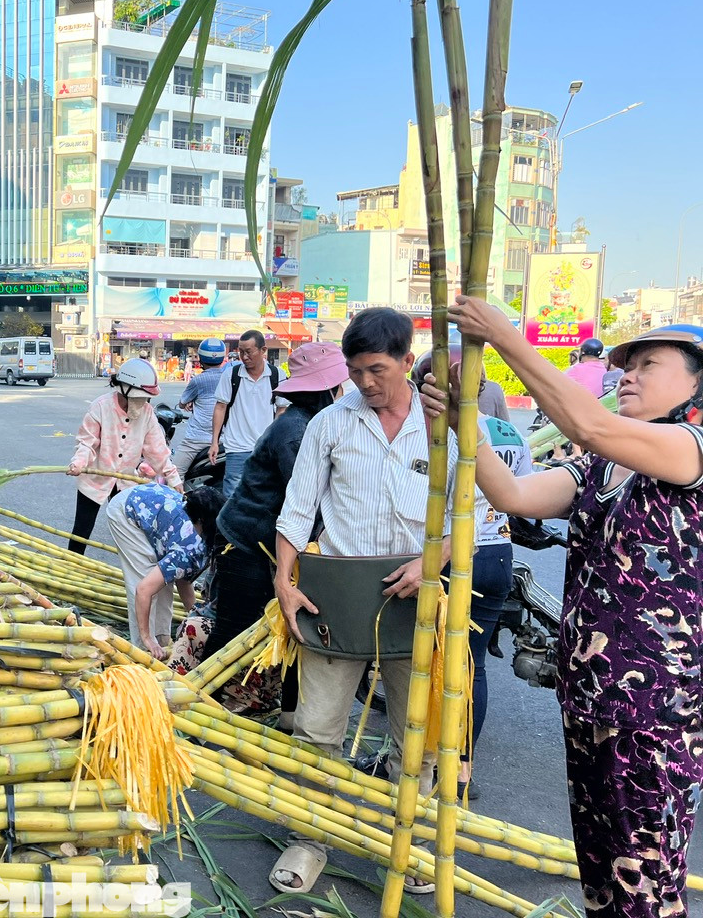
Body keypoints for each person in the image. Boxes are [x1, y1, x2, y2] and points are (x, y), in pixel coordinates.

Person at [421, 305, 703, 918]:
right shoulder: (601, 465)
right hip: (587, 697)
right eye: (623, 367)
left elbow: (592, 423)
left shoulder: (692, 449)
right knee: (601, 872)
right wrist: (457, 420)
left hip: (655, 707)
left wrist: (505, 339)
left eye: (648, 365)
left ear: (696, 388)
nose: (625, 375)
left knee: (646, 878)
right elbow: (514, 494)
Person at [269, 308, 452, 896]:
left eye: (377, 369)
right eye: (355, 372)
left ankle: (409, 839)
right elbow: (298, 507)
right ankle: (309, 838)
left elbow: (481, 512)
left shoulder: (443, 425)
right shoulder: (331, 423)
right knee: (318, 728)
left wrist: (435, 559)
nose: (365, 383)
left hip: (418, 597)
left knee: (415, 733)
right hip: (339, 596)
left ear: (407, 359)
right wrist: (284, 580)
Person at [200, 342, 350, 727]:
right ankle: (197, 706)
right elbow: (308, 501)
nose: (343, 396)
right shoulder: (295, 432)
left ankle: (288, 716)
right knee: (233, 629)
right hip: (247, 542)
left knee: (291, 628)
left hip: (275, 544)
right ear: (324, 392)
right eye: (339, 389)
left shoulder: (311, 424)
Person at [410, 347, 533, 801]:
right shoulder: (504, 430)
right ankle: (463, 767)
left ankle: (426, 760)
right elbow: (520, 492)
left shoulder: (427, 429)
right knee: (473, 664)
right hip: (497, 554)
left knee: (435, 663)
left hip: (449, 554)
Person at [66, 358, 182, 555]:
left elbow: (157, 450)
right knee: (82, 530)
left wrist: (173, 477)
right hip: (95, 478)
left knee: (130, 532)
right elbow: (87, 441)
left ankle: (135, 574)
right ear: (125, 389)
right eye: (141, 397)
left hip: (125, 481)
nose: (144, 402)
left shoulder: (147, 413)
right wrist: (78, 462)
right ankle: (69, 568)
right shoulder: (100, 407)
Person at [105, 483, 225, 657]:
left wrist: (196, 619)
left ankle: (161, 641)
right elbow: (143, 590)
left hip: (150, 503)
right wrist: (147, 637)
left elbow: (183, 577)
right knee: (145, 577)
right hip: (128, 511)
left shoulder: (215, 538)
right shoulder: (192, 548)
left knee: (163, 580)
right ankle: (143, 649)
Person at [210, 329, 281, 496]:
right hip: (236, 447)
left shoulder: (277, 375)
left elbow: (282, 409)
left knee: (262, 495)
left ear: (263, 350)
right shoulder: (231, 375)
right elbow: (220, 407)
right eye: (241, 351)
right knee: (232, 497)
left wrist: (275, 441)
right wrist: (214, 441)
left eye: (249, 351)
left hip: (265, 449)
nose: (244, 356)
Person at [172, 338, 227, 475]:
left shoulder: (197, 380)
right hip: (224, 439)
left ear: (200, 358)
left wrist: (189, 402)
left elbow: (182, 403)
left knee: (174, 475)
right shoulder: (229, 377)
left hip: (197, 440)